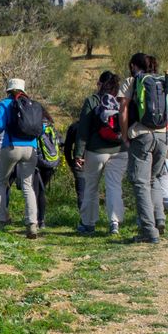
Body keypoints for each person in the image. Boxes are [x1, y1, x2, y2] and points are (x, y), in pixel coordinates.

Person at [118, 53, 168, 244]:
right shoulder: (163, 81)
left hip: (142, 135)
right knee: (154, 179)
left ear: (134, 65)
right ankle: (159, 220)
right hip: (163, 135)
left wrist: (125, 135)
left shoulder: (132, 82)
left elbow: (123, 109)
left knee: (140, 182)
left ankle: (148, 231)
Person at [72, 71, 128, 235]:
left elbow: (83, 130)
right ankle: (114, 223)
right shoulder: (121, 101)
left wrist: (78, 154)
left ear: (100, 84)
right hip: (120, 150)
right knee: (114, 186)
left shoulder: (92, 101)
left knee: (91, 187)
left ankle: (88, 223)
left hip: (96, 151)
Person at [0, 78, 43, 238]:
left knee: (1, 182)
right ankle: (32, 224)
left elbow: (0, 124)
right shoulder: (32, 104)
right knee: (27, 186)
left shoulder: (5, 103)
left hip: (11, 146)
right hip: (31, 148)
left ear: (9, 90)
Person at [32, 118, 60, 229]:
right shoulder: (52, 129)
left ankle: (34, 219)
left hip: (38, 163)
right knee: (42, 191)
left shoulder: (35, 128)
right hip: (51, 163)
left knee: (35, 191)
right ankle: (42, 220)